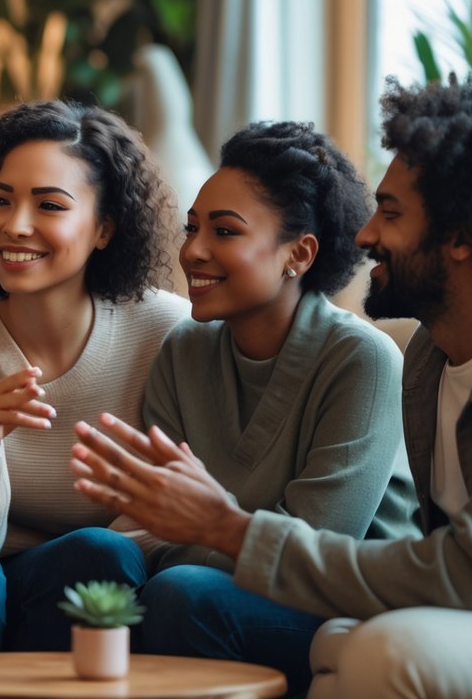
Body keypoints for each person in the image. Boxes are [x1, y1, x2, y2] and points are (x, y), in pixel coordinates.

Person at [71, 69, 472, 698]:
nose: (363, 235)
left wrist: (226, 526)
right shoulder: (433, 357)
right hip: (460, 611)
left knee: (370, 646)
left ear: (461, 238)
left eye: (390, 213)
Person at [132, 122, 417, 692]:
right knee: (88, 563)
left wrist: (197, 533)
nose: (192, 251)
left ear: (299, 253)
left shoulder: (362, 360)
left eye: (224, 231)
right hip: (208, 581)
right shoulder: (182, 350)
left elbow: (319, 544)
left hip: (339, 599)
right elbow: (154, 517)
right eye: (192, 228)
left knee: (181, 593)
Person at [0, 99, 190, 651]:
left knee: (101, 555)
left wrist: (84, 556)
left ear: (104, 228)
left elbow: (171, 511)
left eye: (50, 205)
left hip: (98, 581)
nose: (16, 226)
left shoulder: (165, 331)